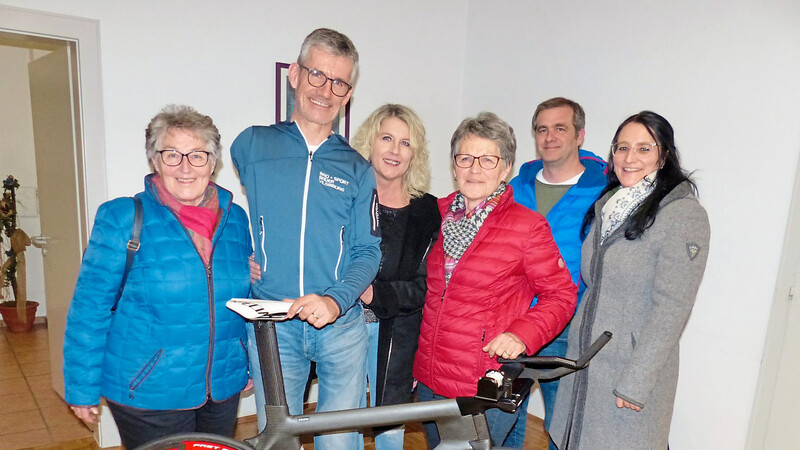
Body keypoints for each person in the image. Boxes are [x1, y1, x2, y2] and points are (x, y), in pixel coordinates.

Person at [63, 105, 252, 449]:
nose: (184, 167)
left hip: (221, 386)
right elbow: (89, 308)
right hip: (149, 391)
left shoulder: (236, 218)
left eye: (197, 155)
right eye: (171, 154)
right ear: (154, 160)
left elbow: (242, 300)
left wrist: (247, 362)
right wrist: (81, 387)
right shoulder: (122, 217)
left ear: (213, 162)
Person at [231, 28, 381, 449]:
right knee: (277, 441)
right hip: (274, 323)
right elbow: (227, 210)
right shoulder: (252, 145)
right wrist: (241, 253)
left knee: (339, 443)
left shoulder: (357, 168)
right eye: (317, 75)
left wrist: (335, 300)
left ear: (348, 93)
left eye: (339, 83)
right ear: (294, 75)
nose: (325, 90)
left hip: (340, 325)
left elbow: (368, 251)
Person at [413, 112, 578, 447]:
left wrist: (522, 334)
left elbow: (561, 295)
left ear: (506, 169)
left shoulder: (527, 227)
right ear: (454, 165)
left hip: (483, 383)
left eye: (488, 160)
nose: (475, 169)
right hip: (431, 379)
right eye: (466, 158)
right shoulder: (435, 215)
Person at [549, 111, 710, 449]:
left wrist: (636, 382)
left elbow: (672, 308)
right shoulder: (608, 204)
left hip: (629, 371)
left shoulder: (682, 214)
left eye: (643, 149)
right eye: (622, 148)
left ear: (664, 155)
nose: (629, 158)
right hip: (585, 365)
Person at [505, 97, 607, 448]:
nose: (550, 137)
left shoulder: (602, 192)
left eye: (560, 128)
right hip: (511, 323)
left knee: (561, 427)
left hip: (566, 327)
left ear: (579, 135)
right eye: (542, 129)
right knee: (504, 421)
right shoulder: (515, 189)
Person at [350, 104, 440, 449]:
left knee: (390, 425)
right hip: (342, 326)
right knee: (343, 421)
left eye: (405, 143)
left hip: (399, 333)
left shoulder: (429, 211)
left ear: (414, 154)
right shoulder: (346, 199)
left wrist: (375, 294)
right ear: (369, 143)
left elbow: (426, 286)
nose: (394, 150)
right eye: (386, 138)